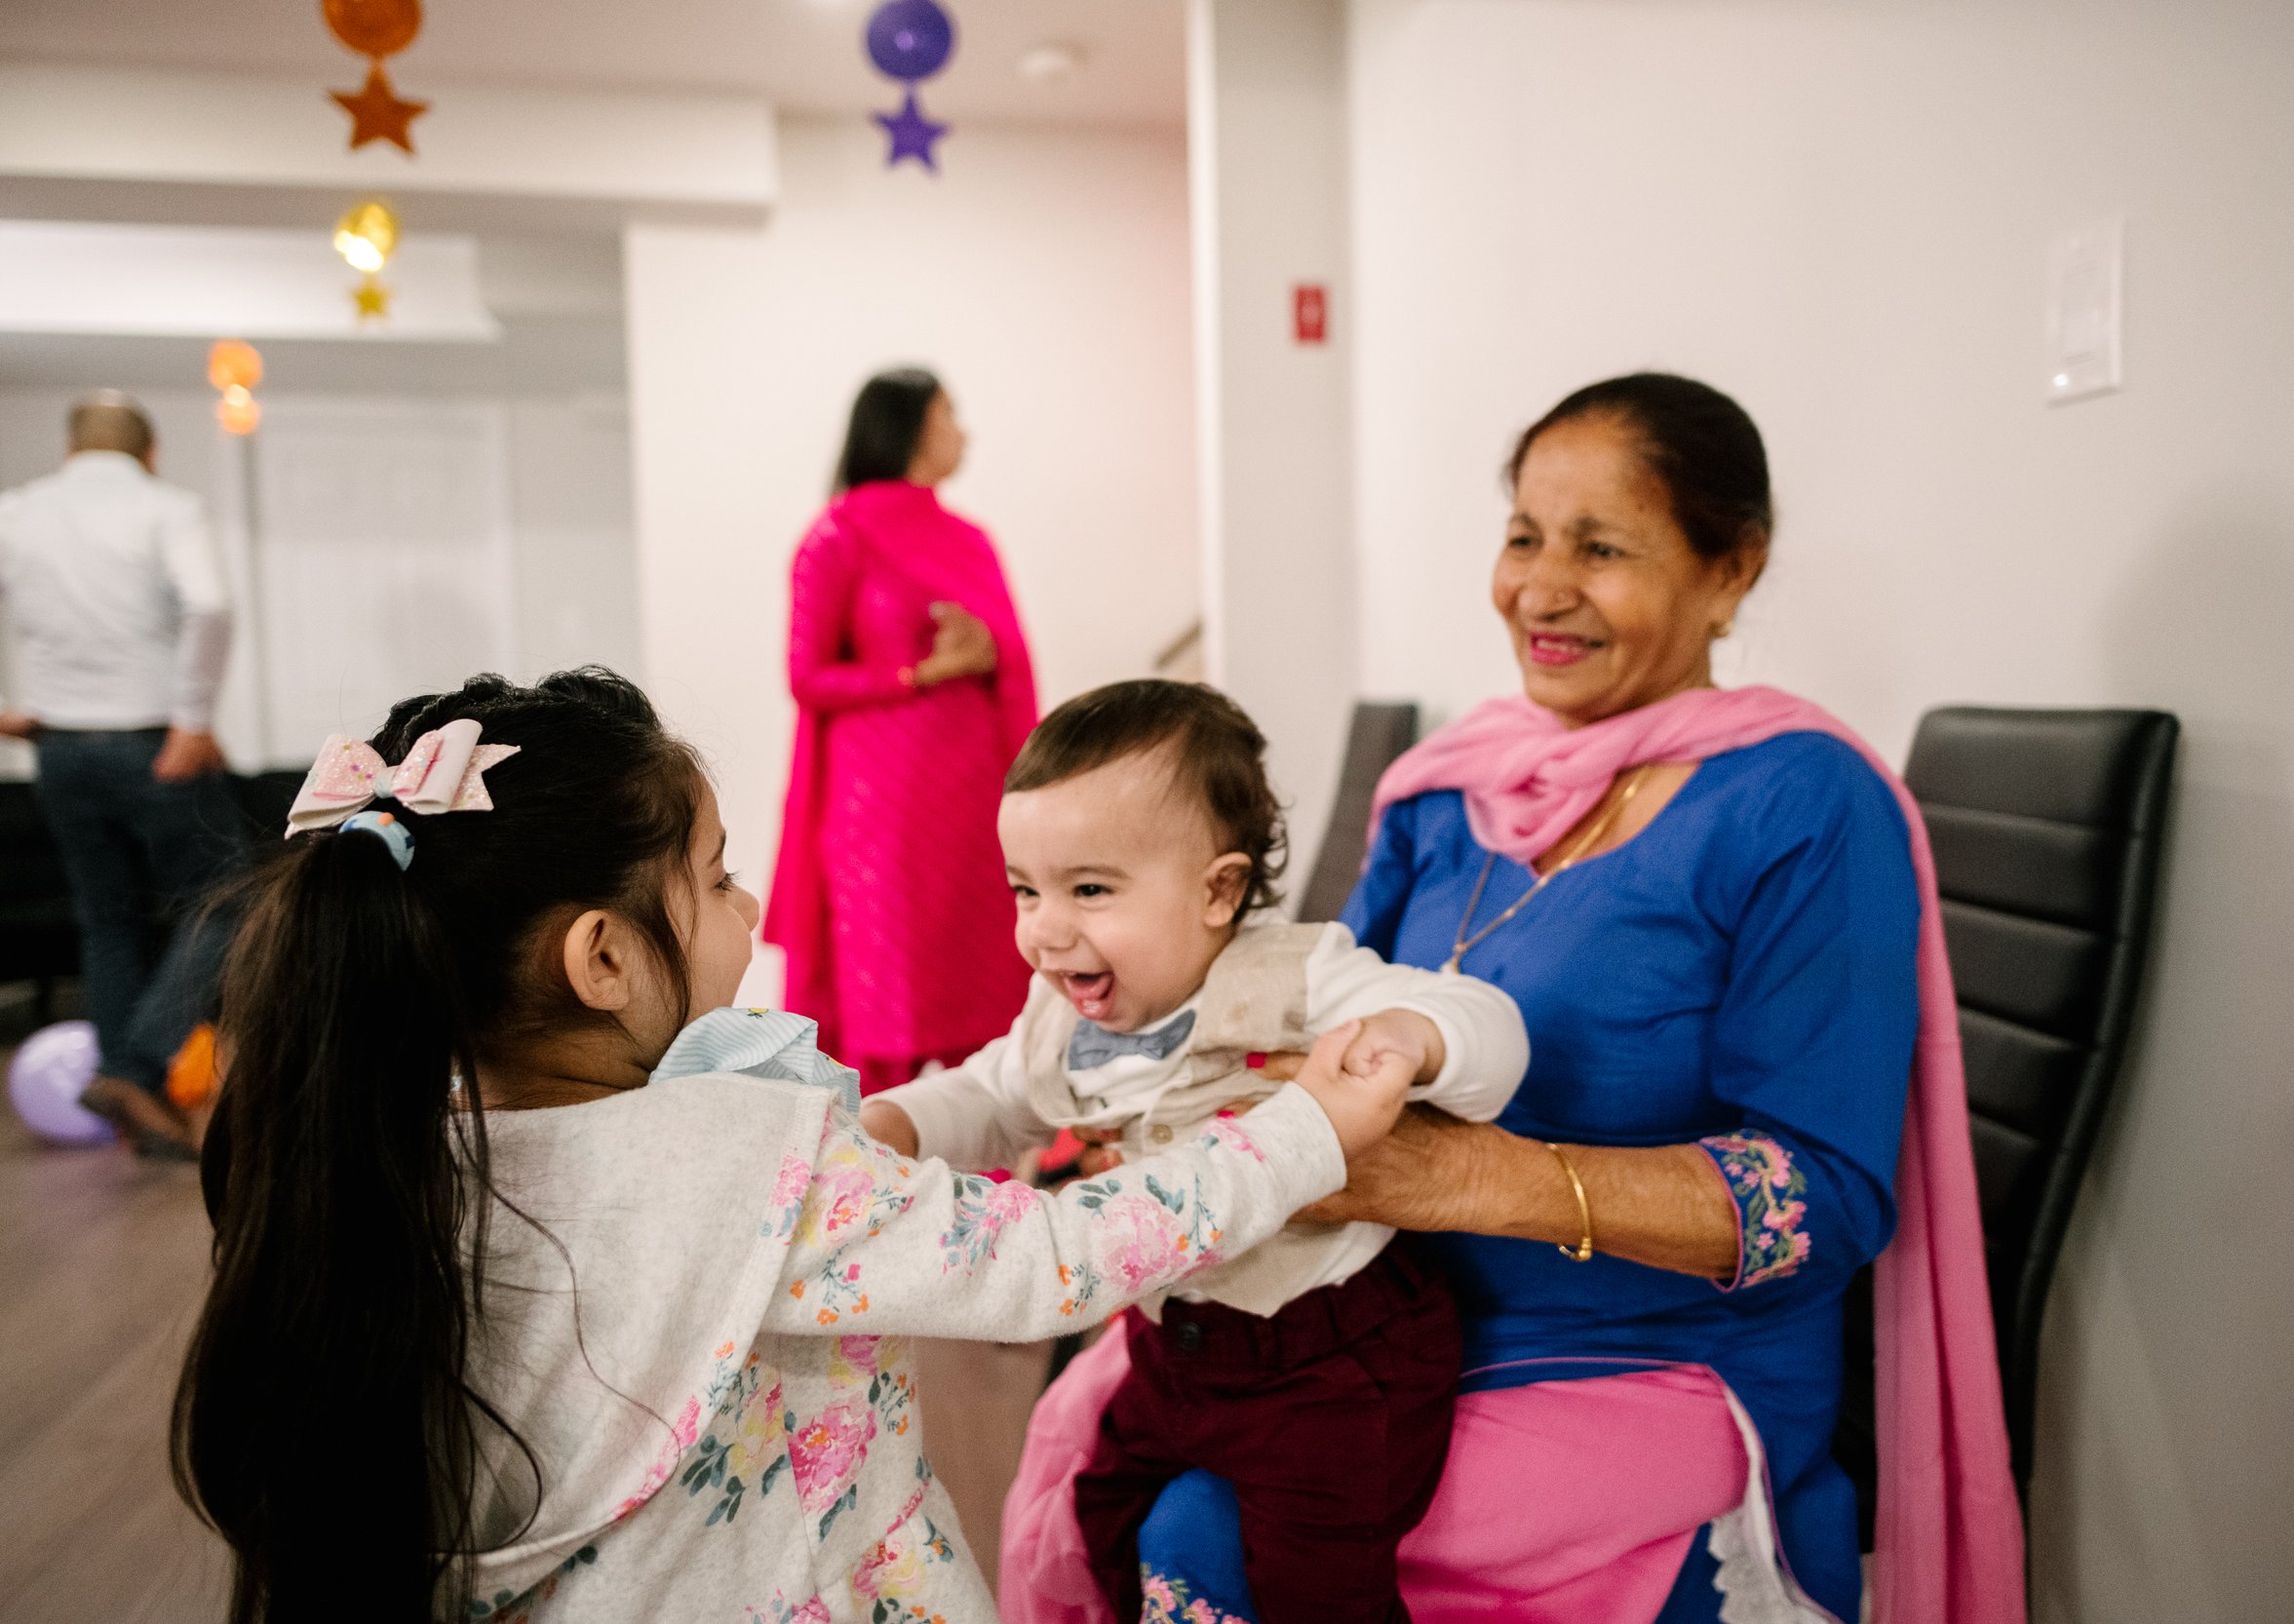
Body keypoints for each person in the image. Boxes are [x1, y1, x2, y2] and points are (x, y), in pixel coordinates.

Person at [999, 375, 2024, 1624]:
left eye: (1601, 547)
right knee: (1117, 1436)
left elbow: (1827, 1192)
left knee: (1209, 1530)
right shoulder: (1451, 795)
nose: (1540, 587)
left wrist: (1480, 1180)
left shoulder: (1801, 804)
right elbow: (1283, 1013)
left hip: (1659, 1356)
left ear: (1731, 568)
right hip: (1381, 1319)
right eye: (1524, 536)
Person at [172, 667, 1419, 1624]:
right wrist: (1308, 1127)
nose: (750, 907)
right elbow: (1057, 1254)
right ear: (603, 958)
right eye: (716, 881)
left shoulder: (391, 1156)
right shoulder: (745, 1160)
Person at [863, 680, 1529, 1624]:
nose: (1047, 929)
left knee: (1318, 1588)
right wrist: (901, 1123)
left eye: (1089, 889)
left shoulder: (1293, 974)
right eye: (1026, 889)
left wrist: (1417, 1040)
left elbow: (1488, 1020)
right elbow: (991, 1092)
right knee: (1097, 1526)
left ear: (1218, 889)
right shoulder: (1063, 1010)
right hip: (1175, 1349)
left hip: (1329, 1358)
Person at [767, 367, 1039, 1093]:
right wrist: (920, 674)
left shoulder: (970, 540)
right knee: (888, 988)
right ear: (913, 427)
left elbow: (1008, 656)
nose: (964, 432)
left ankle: (989, 1162)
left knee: (978, 977)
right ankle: (877, 1167)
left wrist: (984, 653)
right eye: (951, 414)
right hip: (881, 813)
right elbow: (806, 676)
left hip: (971, 799)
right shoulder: (838, 536)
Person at [0, 390, 241, 1156]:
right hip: (150, 742)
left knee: (108, 917)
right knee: (232, 896)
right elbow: (209, 604)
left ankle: (123, 1078)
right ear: (149, 453)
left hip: (58, 746)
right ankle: (136, 1064)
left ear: (72, 449)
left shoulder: (18, 511)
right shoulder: (166, 507)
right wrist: (195, 719)